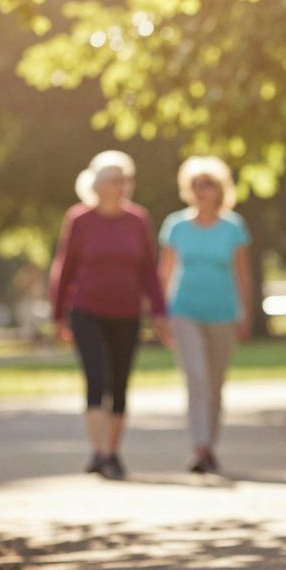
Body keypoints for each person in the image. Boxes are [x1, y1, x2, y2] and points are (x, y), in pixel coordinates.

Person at [50, 150, 170, 480]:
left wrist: (159, 312)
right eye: (115, 180)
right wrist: (57, 313)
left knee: (119, 383)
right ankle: (98, 450)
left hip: (127, 311)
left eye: (125, 180)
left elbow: (148, 269)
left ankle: (112, 452)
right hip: (86, 310)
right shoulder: (79, 220)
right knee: (96, 378)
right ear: (98, 184)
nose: (122, 186)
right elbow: (65, 267)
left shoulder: (137, 220)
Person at [158, 156, 254, 474]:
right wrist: (160, 314)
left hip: (223, 312)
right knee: (196, 377)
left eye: (208, 184)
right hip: (184, 310)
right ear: (189, 189)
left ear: (218, 189)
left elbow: (243, 275)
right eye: (196, 184)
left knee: (215, 382)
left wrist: (245, 313)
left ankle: (209, 446)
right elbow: (165, 273)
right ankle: (198, 447)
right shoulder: (176, 226)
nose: (202, 190)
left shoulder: (233, 228)